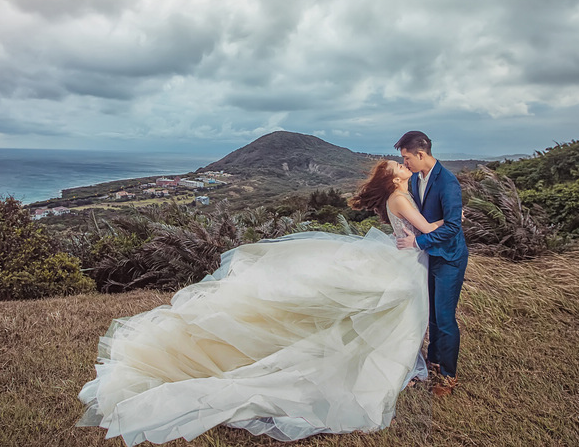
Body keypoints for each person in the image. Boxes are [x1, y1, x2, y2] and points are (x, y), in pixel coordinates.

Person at [78, 160, 436, 445]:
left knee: (372, 309)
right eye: (399, 166)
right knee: (385, 308)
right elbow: (428, 230)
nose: (404, 167)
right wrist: (452, 220)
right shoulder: (401, 197)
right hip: (404, 260)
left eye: (402, 164)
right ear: (393, 180)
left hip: (400, 255)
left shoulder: (401, 194)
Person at [393, 131, 467, 397]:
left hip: (448, 257)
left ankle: (448, 377)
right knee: (432, 315)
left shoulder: (447, 182)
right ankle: (434, 360)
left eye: (406, 157)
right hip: (429, 257)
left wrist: (418, 243)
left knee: (445, 319)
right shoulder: (416, 180)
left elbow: (453, 227)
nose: (405, 163)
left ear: (420, 154)